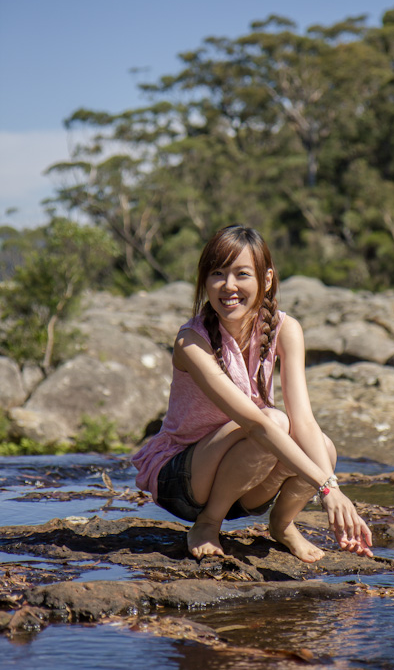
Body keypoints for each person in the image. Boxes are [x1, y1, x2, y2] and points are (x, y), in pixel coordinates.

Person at [133, 225, 373, 562]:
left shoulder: (286, 330)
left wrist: (332, 485)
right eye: (217, 274)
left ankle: (282, 524)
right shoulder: (191, 341)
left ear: (267, 278)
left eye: (241, 274)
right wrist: (326, 489)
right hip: (185, 481)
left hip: (243, 481)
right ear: (204, 281)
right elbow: (254, 423)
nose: (228, 286)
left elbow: (303, 419)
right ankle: (207, 523)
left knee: (323, 446)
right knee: (271, 420)